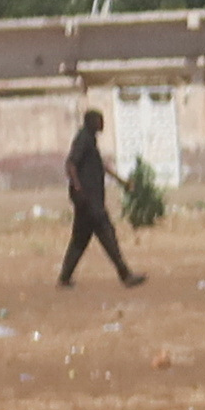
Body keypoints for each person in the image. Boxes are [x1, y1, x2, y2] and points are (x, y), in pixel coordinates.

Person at [58, 106, 142, 289]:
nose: (102, 124)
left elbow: (100, 166)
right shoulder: (83, 139)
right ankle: (125, 274)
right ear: (91, 122)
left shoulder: (90, 141)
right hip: (89, 199)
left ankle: (64, 278)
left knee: (80, 239)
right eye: (99, 120)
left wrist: (122, 181)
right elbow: (71, 164)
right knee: (106, 233)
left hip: (90, 198)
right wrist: (78, 187)